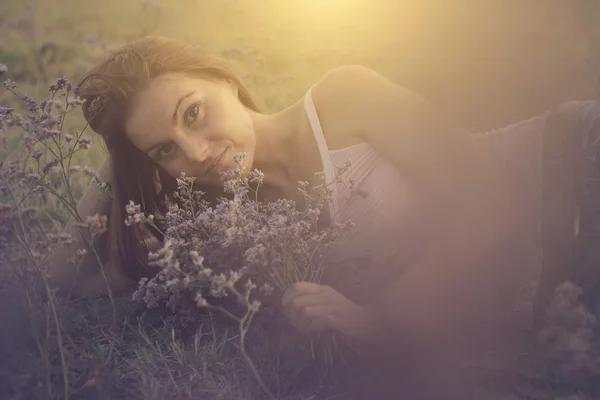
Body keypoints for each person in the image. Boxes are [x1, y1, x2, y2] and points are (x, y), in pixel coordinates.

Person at [45, 35, 596, 398]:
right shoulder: (229, 224)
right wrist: (120, 163)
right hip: (553, 271)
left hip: (570, 162)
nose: (195, 152)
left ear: (225, 81)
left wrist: (379, 316)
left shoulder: (340, 98)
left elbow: (490, 200)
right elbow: (70, 279)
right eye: (165, 150)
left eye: (194, 112)